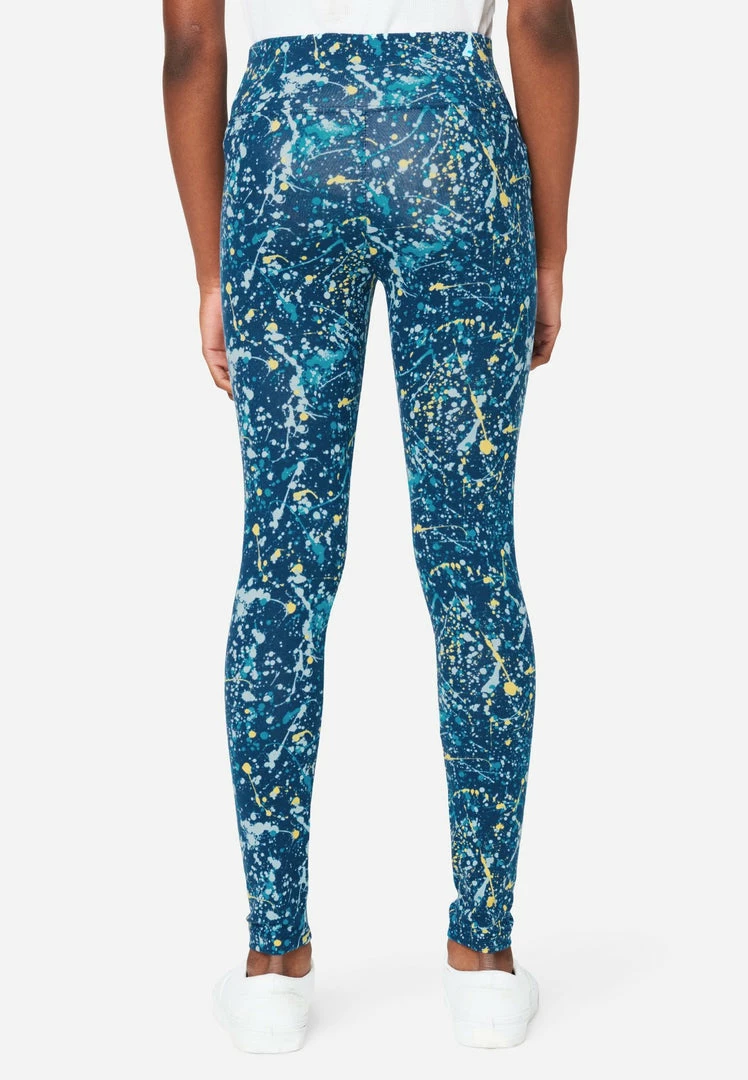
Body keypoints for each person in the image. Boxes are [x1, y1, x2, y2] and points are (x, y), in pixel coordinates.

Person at [163, 0, 578, 1053]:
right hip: (455, 150)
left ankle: (272, 966)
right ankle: (484, 960)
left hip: (285, 160)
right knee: (473, 563)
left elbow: (191, 43)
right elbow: (536, 20)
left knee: (282, 569)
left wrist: (212, 270)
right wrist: (548, 253)